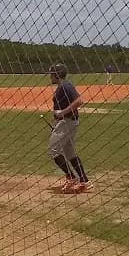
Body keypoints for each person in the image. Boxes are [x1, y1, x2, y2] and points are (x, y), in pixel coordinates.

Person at [47, 63, 90, 193]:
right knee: (69, 152)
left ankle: (71, 177)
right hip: (66, 122)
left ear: (57, 74)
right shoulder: (62, 86)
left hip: (67, 122)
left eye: (52, 74)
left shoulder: (65, 86)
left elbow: (79, 101)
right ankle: (84, 181)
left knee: (53, 150)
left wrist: (62, 113)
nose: (50, 76)